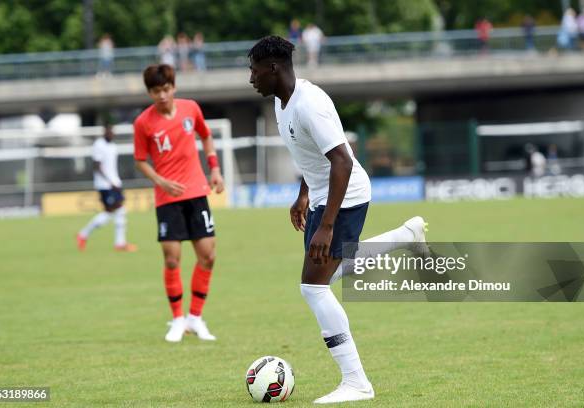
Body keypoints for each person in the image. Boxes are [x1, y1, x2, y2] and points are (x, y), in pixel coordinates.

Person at [248, 36, 429, 404]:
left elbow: (342, 161)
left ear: (273, 68)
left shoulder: (309, 104)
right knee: (326, 275)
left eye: (253, 70)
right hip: (321, 198)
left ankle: (356, 382)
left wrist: (326, 226)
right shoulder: (283, 104)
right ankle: (406, 234)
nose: (250, 78)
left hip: (346, 198)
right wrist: (302, 195)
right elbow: (312, 157)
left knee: (313, 287)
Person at [133, 64, 224, 343]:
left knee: (208, 255)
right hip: (167, 199)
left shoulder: (191, 109)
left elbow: (206, 136)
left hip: (197, 192)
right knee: (172, 259)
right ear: (149, 92)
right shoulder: (143, 123)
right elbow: (140, 161)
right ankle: (177, 319)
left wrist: (215, 169)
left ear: (173, 87)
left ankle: (195, 318)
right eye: (155, 91)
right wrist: (161, 182)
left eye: (166, 89)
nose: (162, 95)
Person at [77, 124, 137, 252]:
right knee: (116, 210)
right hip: (105, 185)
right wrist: (110, 182)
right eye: (109, 131)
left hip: (114, 183)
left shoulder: (113, 146)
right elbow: (97, 166)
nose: (112, 133)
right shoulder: (99, 145)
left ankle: (85, 235)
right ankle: (85, 235)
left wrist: (116, 181)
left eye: (113, 131)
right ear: (104, 132)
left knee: (115, 211)